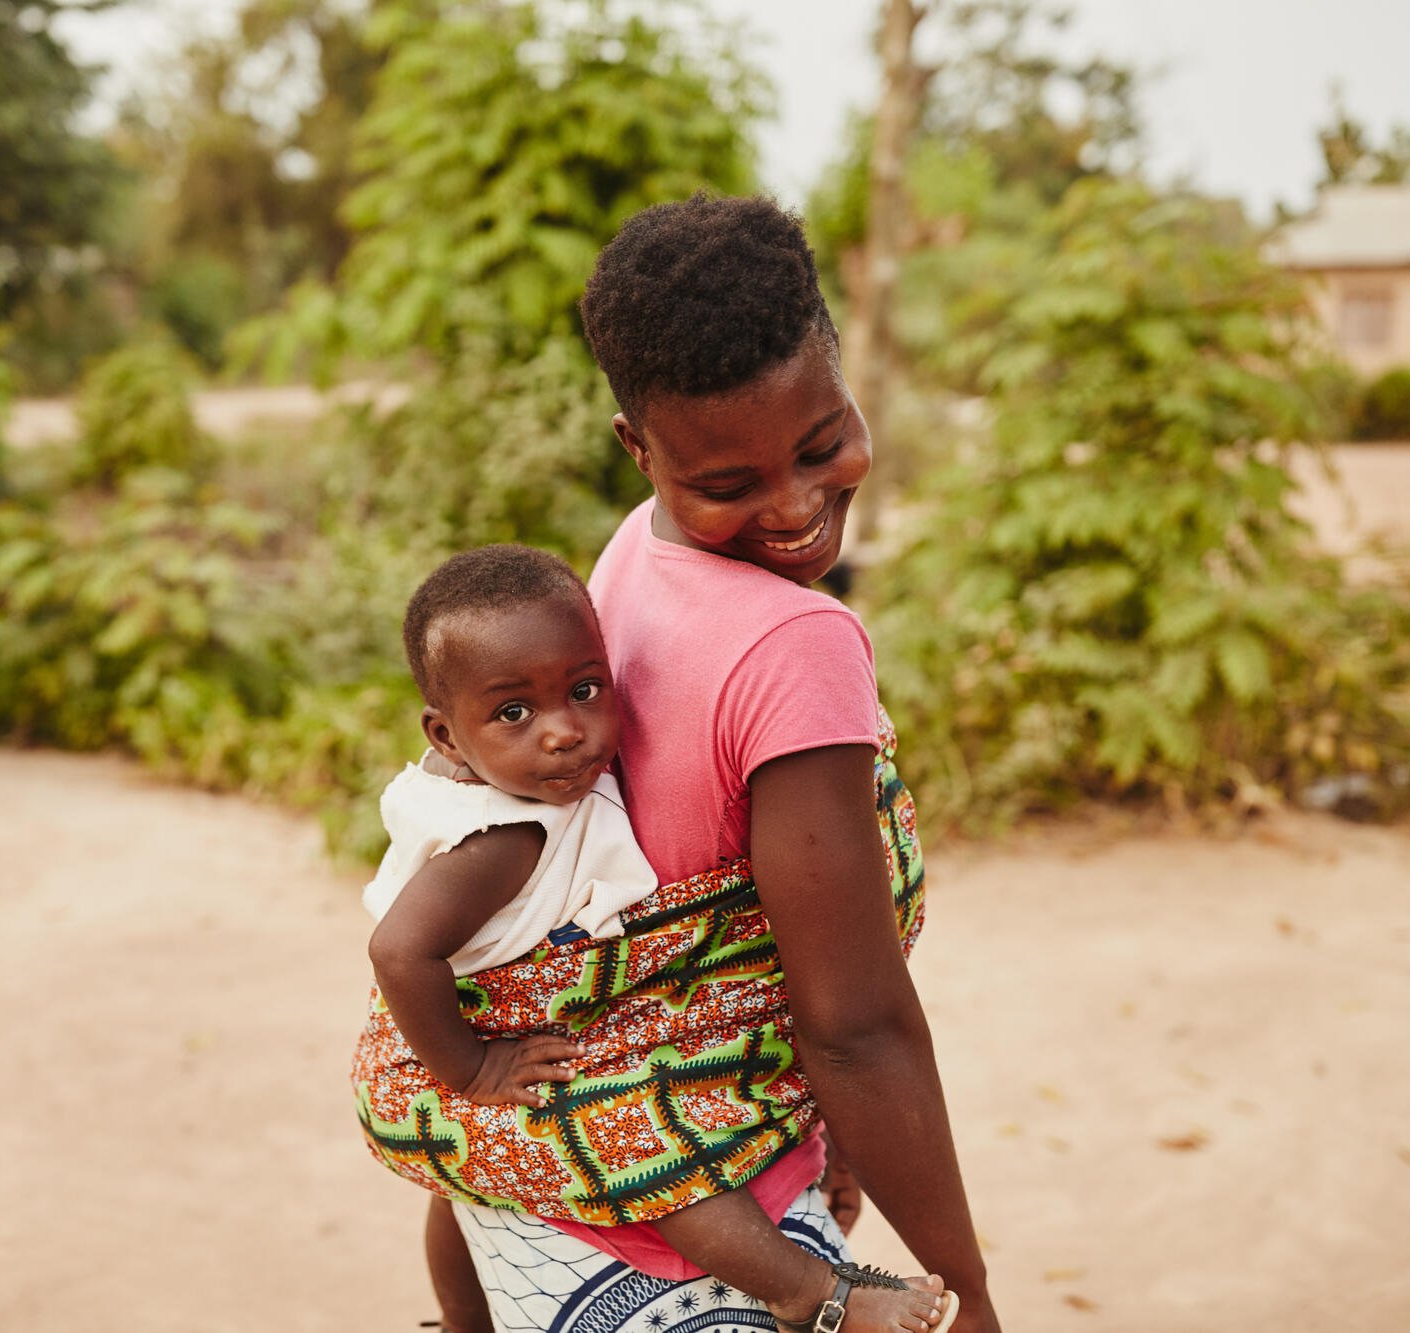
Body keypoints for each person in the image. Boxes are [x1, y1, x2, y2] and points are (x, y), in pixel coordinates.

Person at [420, 194, 999, 1332]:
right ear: (639, 447)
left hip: (535, 1189)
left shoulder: (629, 552)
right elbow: (852, 1021)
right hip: (669, 1203)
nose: (792, 506)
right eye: (727, 487)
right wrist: (966, 1293)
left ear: (841, 376)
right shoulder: (796, 645)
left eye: (821, 441)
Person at [359, 544, 953, 1333]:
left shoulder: (522, 781)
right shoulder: (502, 835)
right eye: (514, 713)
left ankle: (463, 1321)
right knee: (643, 1144)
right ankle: (807, 1292)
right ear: (445, 734)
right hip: (440, 1053)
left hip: (466, 1037)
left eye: (584, 689)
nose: (564, 731)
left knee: (483, 1175)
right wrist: (475, 1066)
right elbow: (397, 951)